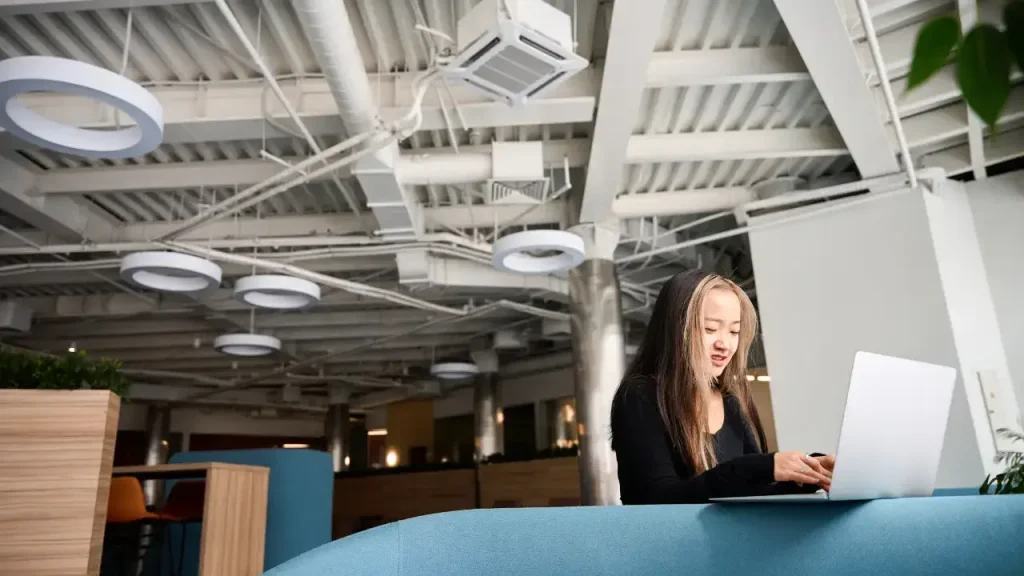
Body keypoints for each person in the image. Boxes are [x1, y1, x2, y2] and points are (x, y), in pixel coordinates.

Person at [610, 270, 835, 504]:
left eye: (733, 331)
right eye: (710, 329)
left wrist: (808, 473)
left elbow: (753, 491)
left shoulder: (730, 401)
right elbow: (656, 499)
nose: (724, 344)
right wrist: (761, 466)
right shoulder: (639, 396)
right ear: (676, 330)